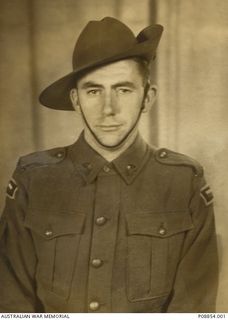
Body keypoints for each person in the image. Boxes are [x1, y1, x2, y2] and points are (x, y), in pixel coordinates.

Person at [0, 17, 218, 313]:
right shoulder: (34, 179)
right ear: (76, 100)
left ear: (147, 97)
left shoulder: (184, 183)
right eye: (93, 91)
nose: (108, 109)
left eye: (123, 90)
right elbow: (13, 304)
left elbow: (193, 311)